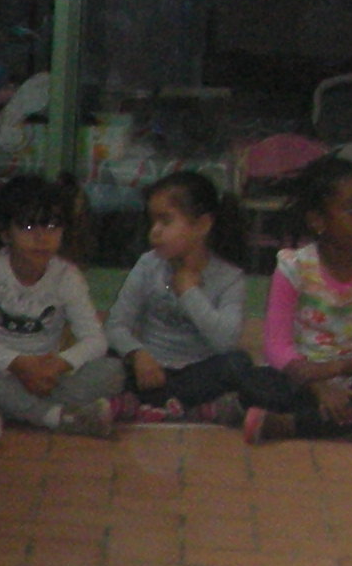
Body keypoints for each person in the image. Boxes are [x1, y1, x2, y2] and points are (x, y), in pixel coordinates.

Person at [239, 157, 352, 444]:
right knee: (255, 382)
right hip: (304, 379)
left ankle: (292, 425)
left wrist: (338, 369)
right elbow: (277, 347)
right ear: (318, 221)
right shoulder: (294, 268)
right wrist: (319, 385)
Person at [0, 172, 122, 435]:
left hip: (44, 380)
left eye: (52, 226)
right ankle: (53, 416)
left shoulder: (67, 276)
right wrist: (17, 363)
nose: (42, 237)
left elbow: (95, 340)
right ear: (6, 233)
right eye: (28, 227)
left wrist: (57, 365)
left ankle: (10, 407)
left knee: (113, 370)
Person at [106, 170, 251, 424]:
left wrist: (189, 292)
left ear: (202, 225)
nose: (155, 232)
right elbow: (116, 325)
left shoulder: (229, 278)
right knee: (105, 360)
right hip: (149, 370)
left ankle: (146, 405)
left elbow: (225, 342)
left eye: (166, 221)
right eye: (152, 222)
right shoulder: (148, 265)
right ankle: (188, 409)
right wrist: (137, 353)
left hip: (198, 373)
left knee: (238, 364)